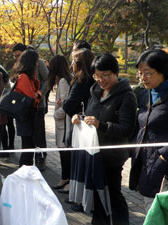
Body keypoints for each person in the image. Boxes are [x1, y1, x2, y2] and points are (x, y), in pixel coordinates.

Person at [72, 53, 137, 225]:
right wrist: (79, 117)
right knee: (97, 194)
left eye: (106, 75)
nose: (101, 80)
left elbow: (126, 129)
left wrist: (101, 125)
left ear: (116, 72)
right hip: (93, 152)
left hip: (112, 156)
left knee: (112, 194)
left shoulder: (126, 95)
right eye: (97, 76)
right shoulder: (95, 91)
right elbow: (91, 116)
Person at [129, 49, 168, 212]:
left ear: (162, 71)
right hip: (145, 162)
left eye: (148, 73)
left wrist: (166, 153)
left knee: (162, 214)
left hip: (167, 169)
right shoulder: (145, 94)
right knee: (150, 209)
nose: (142, 78)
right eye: (140, 73)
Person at [62, 48, 95, 210]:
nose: (71, 64)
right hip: (88, 126)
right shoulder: (91, 79)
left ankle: (83, 201)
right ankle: (82, 199)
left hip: (82, 127)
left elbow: (69, 104)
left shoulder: (82, 79)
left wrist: (65, 102)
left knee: (81, 164)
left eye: (74, 61)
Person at [12, 43, 49, 171]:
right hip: (27, 115)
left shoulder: (30, 74)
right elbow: (30, 97)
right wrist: (37, 95)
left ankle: (39, 160)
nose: (16, 58)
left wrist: (40, 94)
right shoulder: (24, 76)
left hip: (33, 112)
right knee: (28, 145)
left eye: (18, 55)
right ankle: (24, 172)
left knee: (34, 140)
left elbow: (46, 81)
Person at [48, 55, 71, 192]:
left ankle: (65, 178)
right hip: (63, 123)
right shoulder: (64, 79)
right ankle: (65, 178)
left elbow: (66, 104)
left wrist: (56, 114)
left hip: (63, 123)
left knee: (65, 153)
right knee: (64, 153)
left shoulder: (63, 81)